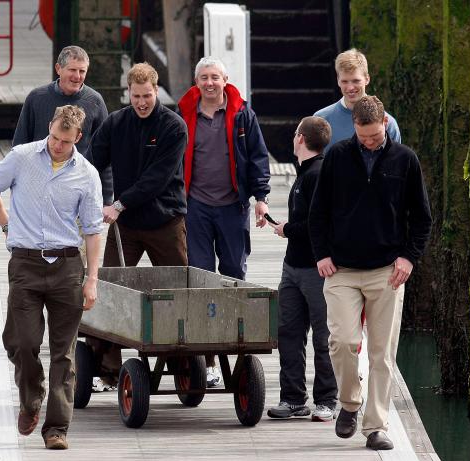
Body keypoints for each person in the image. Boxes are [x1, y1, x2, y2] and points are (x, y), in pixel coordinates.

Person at [309, 96, 432, 450]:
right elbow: (318, 213)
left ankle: (376, 425)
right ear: (355, 130)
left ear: (385, 125)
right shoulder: (336, 156)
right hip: (342, 269)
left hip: (387, 271)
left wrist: (408, 258)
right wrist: (321, 254)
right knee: (342, 341)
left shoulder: (405, 159)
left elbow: (421, 219)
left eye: (375, 136)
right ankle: (349, 403)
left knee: (382, 353)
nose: (369, 142)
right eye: (363, 137)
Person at [0, 105, 103, 450]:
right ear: (48, 129)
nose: (56, 145)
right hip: (25, 263)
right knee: (21, 344)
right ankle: (31, 398)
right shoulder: (21, 157)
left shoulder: (87, 174)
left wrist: (92, 278)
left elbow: (93, 231)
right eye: (53, 137)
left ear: (78, 138)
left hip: (67, 268)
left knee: (63, 353)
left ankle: (57, 428)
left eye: (65, 141)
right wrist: (7, 225)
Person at [177, 57, 271, 387]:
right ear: (196, 81)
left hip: (233, 206)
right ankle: (209, 361)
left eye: (215, 77)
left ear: (225, 79)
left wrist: (260, 199)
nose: (209, 83)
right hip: (196, 206)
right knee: (201, 279)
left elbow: (258, 157)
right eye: (203, 77)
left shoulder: (243, 114)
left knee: (234, 275)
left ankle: (238, 350)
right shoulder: (184, 113)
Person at [266, 116, 337, 421]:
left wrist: (287, 230)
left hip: (317, 270)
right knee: (289, 333)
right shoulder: (303, 173)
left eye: (295, 134)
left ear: (300, 139)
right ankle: (293, 398)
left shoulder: (318, 173)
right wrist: (279, 225)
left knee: (324, 337)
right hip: (291, 268)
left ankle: (328, 400)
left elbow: (319, 224)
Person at [89, 62, 188, 266]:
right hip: (126, 223)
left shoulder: (174, 127)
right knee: (111, 286)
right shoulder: (115, 122)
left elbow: (157, 178)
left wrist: (118, 204)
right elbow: (90, 163)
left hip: (165, 221)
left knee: (177, 290)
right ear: (129, 92)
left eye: (147, 96)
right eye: (136, 96)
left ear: (156, 90)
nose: (141, 103)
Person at [13, 45, 112, 202]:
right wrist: (17, 188)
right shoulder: (36, 98)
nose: (77, 76)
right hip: (39, 187)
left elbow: (106, 153)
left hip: (79, 189)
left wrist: (107, 199)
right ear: (58, 68)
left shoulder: (95, 101)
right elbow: (20, 145)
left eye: (82, 71)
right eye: (72, 70)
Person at [314, 48, 401, 151]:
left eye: (356, 81)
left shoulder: (387, 123)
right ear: (338, 81)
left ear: (367, 79)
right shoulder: (321, 120)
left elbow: (396, 164)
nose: (350, 87)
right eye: (345, 81)